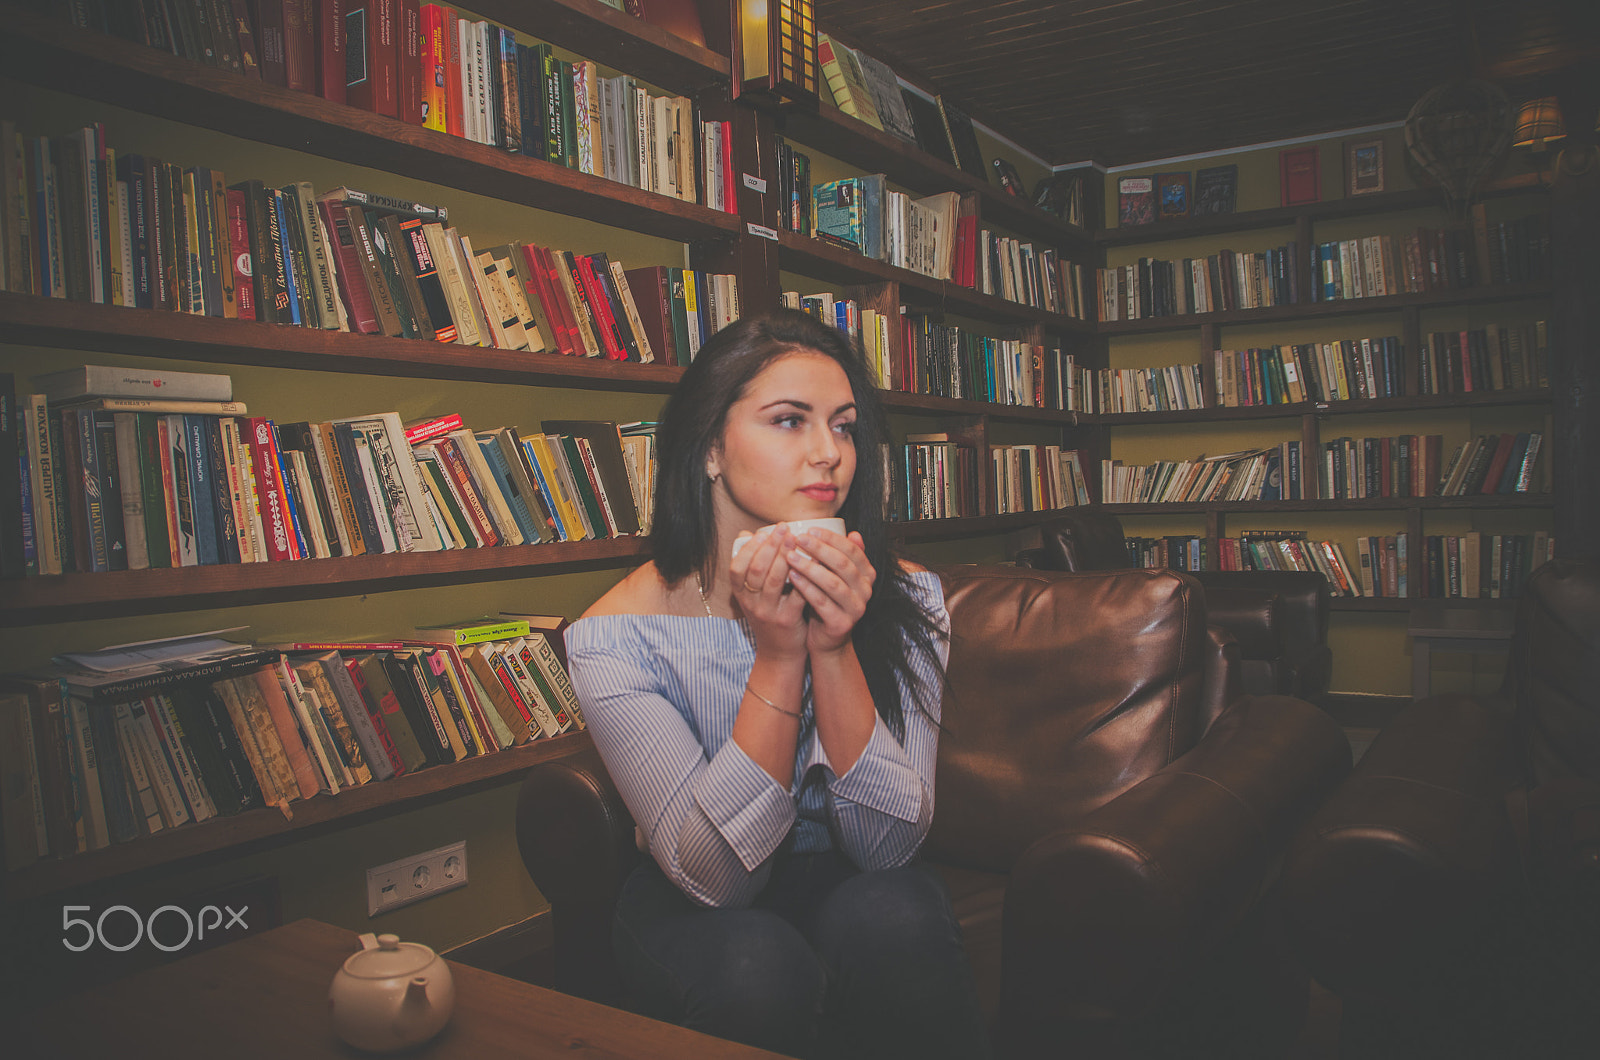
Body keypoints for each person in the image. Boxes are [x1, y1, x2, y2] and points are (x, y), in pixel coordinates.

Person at [564, 310, 993, 1059]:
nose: (831, 453)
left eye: (846, 426)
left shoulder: (910, 597)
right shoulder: (613, 635)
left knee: (897, 916)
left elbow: (890, 848)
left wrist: (833, 647)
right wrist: (777, 656)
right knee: (757, 967)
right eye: (790, 421)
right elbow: (716, 881)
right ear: (708, 451)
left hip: (851, 870)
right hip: (687, 889)